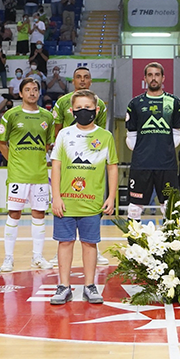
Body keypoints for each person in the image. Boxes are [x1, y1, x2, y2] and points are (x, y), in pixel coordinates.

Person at [49, 89, 118, 305]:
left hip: (92, 201)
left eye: (88, 108)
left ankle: (90, 286)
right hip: (66, 203)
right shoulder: (64, 134)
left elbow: (112, 167)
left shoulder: (105, 136)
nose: (83, 111)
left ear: (96, 110)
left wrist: (111, 197)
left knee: (90, 244)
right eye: (78, 108)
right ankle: (63, 286)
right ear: (71, 111)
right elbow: (56, 167)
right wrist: (56, 197)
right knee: (65, 243)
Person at [0, 77, 55, 271]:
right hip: (18, 176)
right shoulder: (11, 115)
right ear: (20, 93)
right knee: (14, 214)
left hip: (39, 175)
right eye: (28, 89)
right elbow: (2, 143)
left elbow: (48, 144)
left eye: (35, 89)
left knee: (39, 215)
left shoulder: (47, 117)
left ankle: (37, 257)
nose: (32, 92)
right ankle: (8, 258)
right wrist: (14, 162)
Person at [125, 62, 180, 222]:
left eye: (157, 74)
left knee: (170, 207)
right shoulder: (135, 104)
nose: (153, 78)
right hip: (141, 164)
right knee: (134, 207)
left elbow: (177, 136)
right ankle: (134, 245)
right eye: (150, 75)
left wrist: (162, 149)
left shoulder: (175, 103)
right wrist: (145, 150)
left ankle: (171, 246)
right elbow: (130, 138)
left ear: (163, 78)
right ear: (145, 78)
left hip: (167, 164)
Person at [53, 66, 108, 137]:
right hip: (68, 145)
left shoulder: (99, 104)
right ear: (73, 81)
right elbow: (56, 129)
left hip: (90, 145)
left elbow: (101, 131)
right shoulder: (62, 102)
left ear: (90, 82)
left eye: (86, 77)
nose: (82, 80)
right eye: (78, 77)